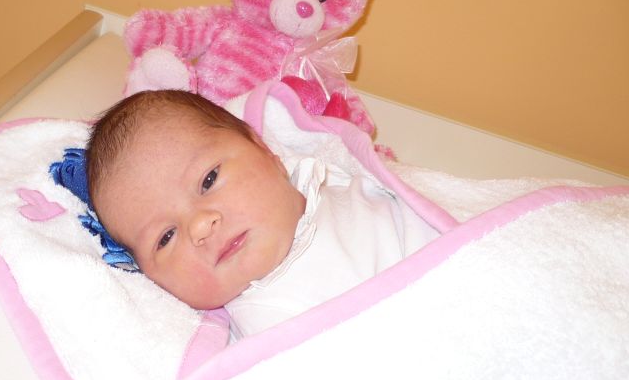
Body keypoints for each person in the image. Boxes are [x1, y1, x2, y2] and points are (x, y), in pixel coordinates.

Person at [86, 90, 438, 339]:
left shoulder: (355, 191)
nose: (200, 225)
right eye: (165, 237)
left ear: (266, 151)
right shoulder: (252, 340)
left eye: (208, 180)